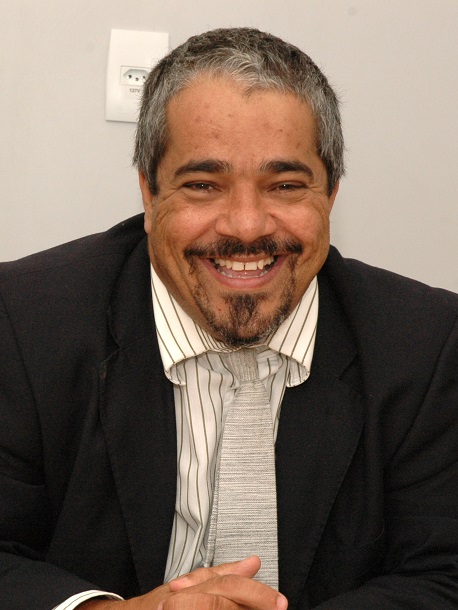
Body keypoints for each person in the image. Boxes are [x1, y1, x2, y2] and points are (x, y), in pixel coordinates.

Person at [0, 27, 457, 610]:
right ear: (149, 194)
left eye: (285, 185)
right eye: (203, 185)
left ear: (331, 194)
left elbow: (442, 572)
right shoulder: (23, 323)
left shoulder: (427, 345)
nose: (245, 225)